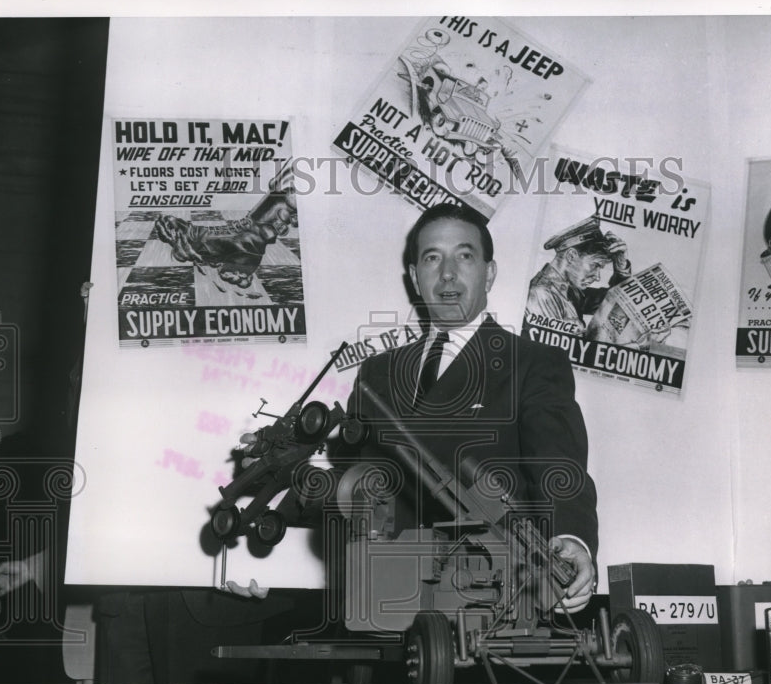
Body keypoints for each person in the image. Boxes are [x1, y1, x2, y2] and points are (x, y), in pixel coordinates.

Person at [234, 203, 599, 613]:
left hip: (483, 613)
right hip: (380, 607)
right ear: (414, 278)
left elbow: (560, 468)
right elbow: (355, 487)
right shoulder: (376, 372)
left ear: (489, 273)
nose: (447, 273)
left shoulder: (533, 363)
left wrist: (573, 540)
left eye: (464, 256)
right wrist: (277, 490)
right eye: (432, 258)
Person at [525, 215, 631, 336]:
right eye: (595, 265)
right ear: (571, 256)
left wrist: (621, 268)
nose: (597, 277)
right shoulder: (541, 294)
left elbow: (613, 302)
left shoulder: (570, 290)